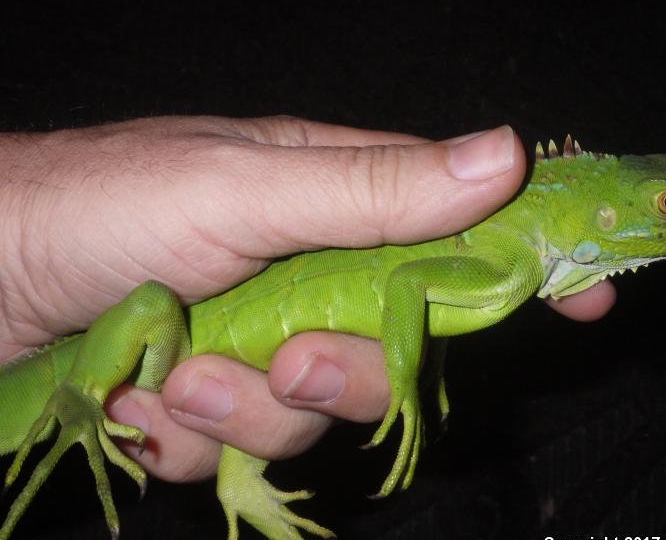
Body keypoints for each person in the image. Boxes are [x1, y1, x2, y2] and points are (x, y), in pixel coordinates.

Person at [0, 115, 615, 483]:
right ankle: (76, 392)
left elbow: (421, 301)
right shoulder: (509, 258)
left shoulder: (512, 260)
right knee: (155, 304)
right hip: (147, 339)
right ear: (607, 214)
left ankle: (240, 489)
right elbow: (408, 284)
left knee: (251, 389)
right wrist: (403, 375)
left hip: (184, 360)